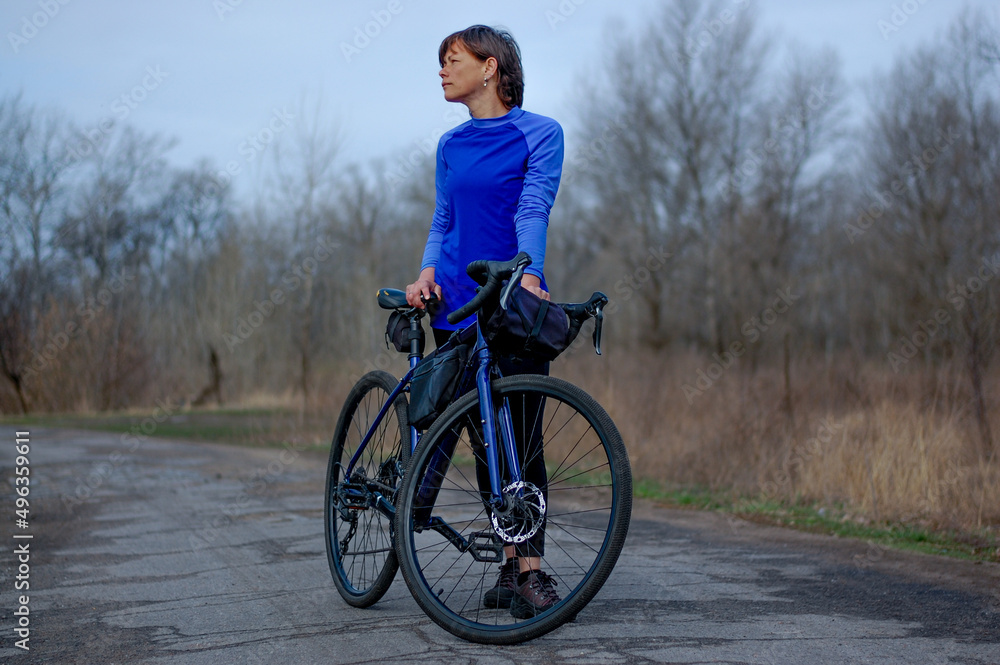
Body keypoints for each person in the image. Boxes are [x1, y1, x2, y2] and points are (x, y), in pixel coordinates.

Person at [405, 24, 564, 618]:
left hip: (509, 301)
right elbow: (443, 218)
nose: (443, 72)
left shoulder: (540, 134)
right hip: (452, 305)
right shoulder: (450, 145)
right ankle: (507, 568)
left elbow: (534, 204)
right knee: (482, 438)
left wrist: (527, 270)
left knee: (521, 437)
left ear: (490, 67)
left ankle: (532, 573)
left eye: (452, 60)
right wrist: (425, 273)